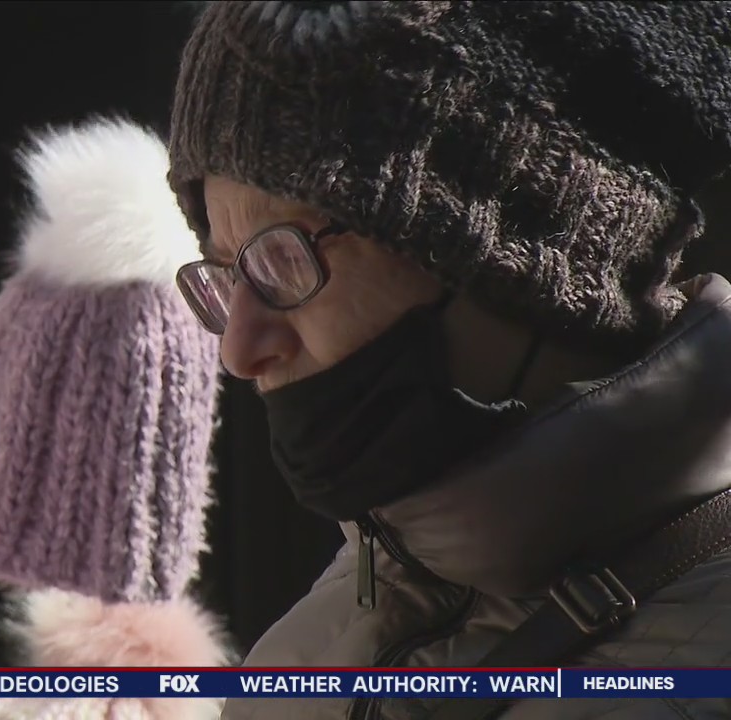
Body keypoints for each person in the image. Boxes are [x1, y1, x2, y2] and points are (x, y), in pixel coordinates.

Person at [167, 2, 731, 719]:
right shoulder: (360, 602)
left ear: (513, 273)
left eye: (284, 259)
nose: (239, 350)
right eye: (225, 273)